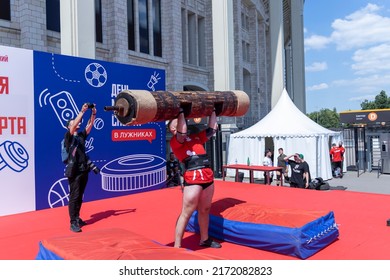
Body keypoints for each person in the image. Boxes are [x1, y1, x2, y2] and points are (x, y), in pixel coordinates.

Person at [168, 107, 221, 249]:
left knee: (205, 209)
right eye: (176, 125)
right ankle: (177, 245)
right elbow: (182, 132)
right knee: (187, 211)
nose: (179, 126)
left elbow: (212, 130)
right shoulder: (175, 141)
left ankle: (205, 239)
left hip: (207, 175)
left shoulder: (196, 137)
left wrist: (213, 110)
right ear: (173, 130)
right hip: (193, 177)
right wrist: (180, 112)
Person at [64, 103, 96, 232]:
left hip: (84, 170)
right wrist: (82, 111)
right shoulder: (68, 137)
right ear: (69, 127)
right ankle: (73, 222)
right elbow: (73, 126)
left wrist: (93, 113)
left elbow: (89, 126)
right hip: (74, 171)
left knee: (80, 195)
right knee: (74, 196)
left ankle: (77, 218)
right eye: (74, 123)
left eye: (77, 122)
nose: (77, 124)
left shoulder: (81, 136)